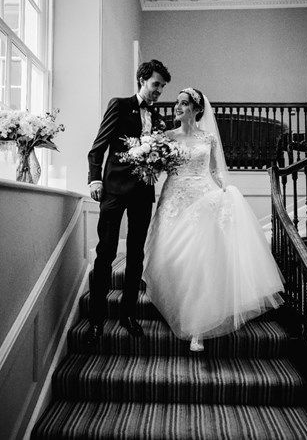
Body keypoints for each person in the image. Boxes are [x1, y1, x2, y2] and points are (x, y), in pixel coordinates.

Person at [143, 87, 284, 352]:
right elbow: (158, 166)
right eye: (177, 102)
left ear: (197, 110)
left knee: (199, 257)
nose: (177, 106)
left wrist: (224, 190)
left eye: (184, 104)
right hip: (173, 198)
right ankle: (171, 298)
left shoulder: (208, 138)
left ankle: (196, 323)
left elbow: (214, 170)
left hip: (202, 196)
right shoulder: (165, 137)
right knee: (170, 254)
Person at [87, 59, 171, 344]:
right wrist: (94, 179)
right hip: (112, 190)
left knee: (136, 256)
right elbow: (98, 147)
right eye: (155, 84)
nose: (159, 90)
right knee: (106, 254)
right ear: (142, 80)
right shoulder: (120, 105)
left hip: (143, 193)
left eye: (162, 86)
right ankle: (97, 320)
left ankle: (128, 315)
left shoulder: (159, 119)